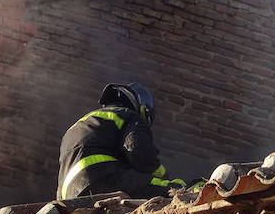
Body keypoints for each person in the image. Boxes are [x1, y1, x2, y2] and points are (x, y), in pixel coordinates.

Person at [57, 82, 186, 200]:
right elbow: (138, 151)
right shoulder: (129, 116)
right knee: (173, 188)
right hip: (103, 177)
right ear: (143, 110)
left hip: (69, 194)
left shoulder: (85, 124)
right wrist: (160, 174)